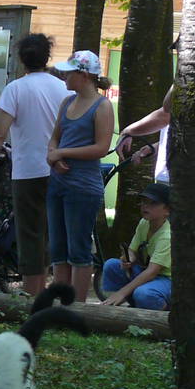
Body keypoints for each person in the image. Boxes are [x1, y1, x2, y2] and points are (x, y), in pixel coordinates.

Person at [0, 32, 66, 296]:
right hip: (60, 168)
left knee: (30, 235)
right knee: (52, 231)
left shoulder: (16, 88)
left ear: (21, 60)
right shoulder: (63, 88)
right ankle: (56, 290)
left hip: (29, 171)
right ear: (47, 57)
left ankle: (34, 296)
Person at [45, 49, 114, 303]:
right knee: (58, 248)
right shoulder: (67, 102)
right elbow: (54, 137)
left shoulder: (102, 106)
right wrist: (53, 154)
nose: (64, 77)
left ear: (84, 75)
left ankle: (77, 307)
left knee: (79, 248)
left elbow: (101, 147)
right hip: (58, 183)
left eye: (69, 72)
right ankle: (59, 304)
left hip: (83, 186)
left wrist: (62, 152)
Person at [99, 181, 172, 309]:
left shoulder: (167, 235)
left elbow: (152, 272)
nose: (145, 206)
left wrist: (122, 292)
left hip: (166, 280)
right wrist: (129, 258)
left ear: (167, 210)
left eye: (153, 203)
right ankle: (114, 304)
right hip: (147, 274)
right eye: (143, 201)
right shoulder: (144, 222)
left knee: (144, 294)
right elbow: (132, 250)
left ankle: (164, 312)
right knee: (111, 265)